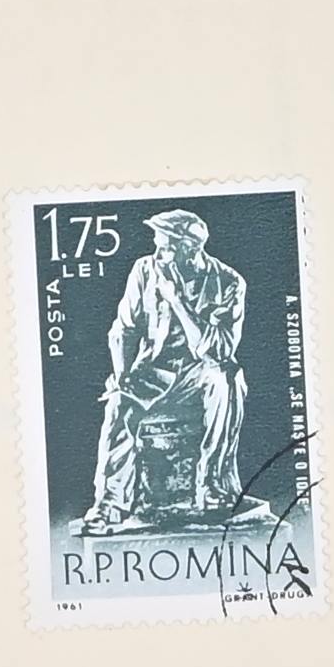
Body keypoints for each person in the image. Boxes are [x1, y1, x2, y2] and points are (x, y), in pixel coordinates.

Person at [83, 208, 252, 533]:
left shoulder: (228, 282)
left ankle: (211, 488)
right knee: (119, 403)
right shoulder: (144, 269)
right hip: (155, 372)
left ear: (191, 248)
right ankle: (110, 503)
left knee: (223, 379)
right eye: (157, 246)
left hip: (200, 372)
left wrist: (176, 302)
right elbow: (124, 328)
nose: (158, 254)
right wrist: (122, 374)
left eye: (166, 248)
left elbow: (218, 349)